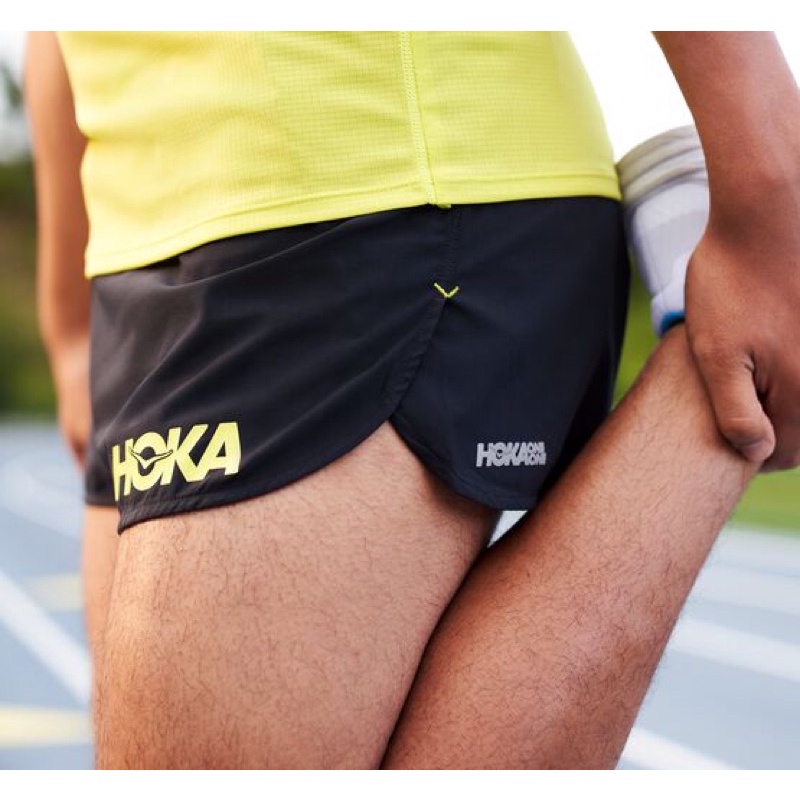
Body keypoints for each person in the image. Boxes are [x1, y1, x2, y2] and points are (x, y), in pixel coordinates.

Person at [26, 31, 800, 769]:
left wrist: (767, 184)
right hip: (141, 245)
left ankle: (706, 367)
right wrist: (69, 318)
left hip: (366, 185)